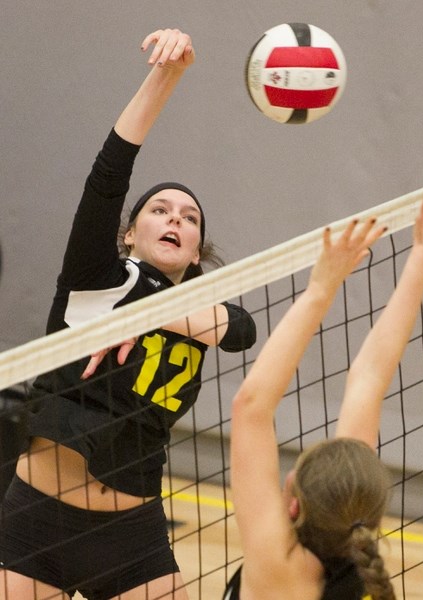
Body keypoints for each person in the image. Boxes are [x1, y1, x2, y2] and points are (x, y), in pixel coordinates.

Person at [0, 29, 256, 600]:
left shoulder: (204, 310)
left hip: (130, 538)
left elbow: (243, 330)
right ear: (130, 234)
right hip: (32, 525)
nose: (175, 218)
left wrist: (152, 315)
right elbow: (108, 175)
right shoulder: (97, 280)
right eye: (159, 209)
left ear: (196, 250)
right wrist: (169, 74)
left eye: (190, 218)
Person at [224, 183, 423, 600]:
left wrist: (320, 288)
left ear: (294, 508)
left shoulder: (279, 570)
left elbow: (251, 407)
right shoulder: (350, 539)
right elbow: (367, 378)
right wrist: (422, 256)